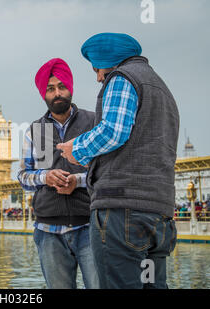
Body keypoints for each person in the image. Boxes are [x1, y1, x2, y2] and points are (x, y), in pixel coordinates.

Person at [57, 33, 179, 289]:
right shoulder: (162, 90)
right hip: (159, 214)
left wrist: (75, 149)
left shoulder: (122, 79)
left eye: (97, 68)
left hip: (122, 213)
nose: (99, 77)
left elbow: (113, 131)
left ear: (107, 60)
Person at [17, 58, 99, 289]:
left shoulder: (92, 122)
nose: (57, 93)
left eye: (62, 87)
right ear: (44, 94)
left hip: (90, 227)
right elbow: (24, 176)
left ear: (70, 89)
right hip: (48, 231)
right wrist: (46, 177)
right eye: (51, 89)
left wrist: (78, 181)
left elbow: (107, 171)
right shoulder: (37, 130)